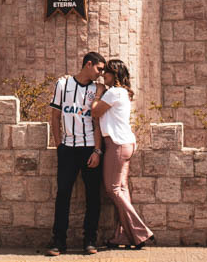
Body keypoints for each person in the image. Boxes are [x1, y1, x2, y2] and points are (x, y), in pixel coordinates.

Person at [46, 51, 106, 256]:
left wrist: (97, 151)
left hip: (90, 148)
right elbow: (54, 116)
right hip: (68, 150)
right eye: (99, 68)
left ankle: (90, 240)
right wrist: (59, 145)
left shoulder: (97, 89)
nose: (101, 73)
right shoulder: (63, 85)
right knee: (62, 195)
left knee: (93, 196)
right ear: (88, 64)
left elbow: (98, 122)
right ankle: (58, 242)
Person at [91, 58, 154, 250]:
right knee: (122, 190)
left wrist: (98, 93)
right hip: (124, 143)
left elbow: (94, 112)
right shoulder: (122, 92)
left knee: (112, 189)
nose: (103, 75)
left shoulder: (114, 92)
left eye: (107, 72)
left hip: (117, 144)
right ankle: (123, 236)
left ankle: (141, 231)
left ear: (115, 75)